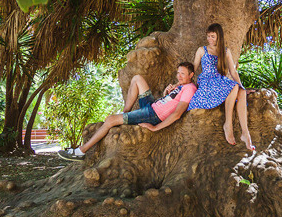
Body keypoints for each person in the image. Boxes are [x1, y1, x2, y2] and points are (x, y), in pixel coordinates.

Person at [58, 62, 197, 159]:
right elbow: (168, 102)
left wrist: (155, 128)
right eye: (178, 73)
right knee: (137, 78)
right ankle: (125, 114)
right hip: (152, 105)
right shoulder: (181, 86)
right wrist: (166, 93)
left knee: (111, 120)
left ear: (191, 75)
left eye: (183, 74)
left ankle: (80, 151)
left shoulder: (189, 88)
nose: (179, 76)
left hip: (153, 115)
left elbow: (177, 114)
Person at [187, 23, 254, 151]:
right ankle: (228, 124)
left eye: (213, 36)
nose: (210, 39)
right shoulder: (202, 50)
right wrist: (179, 85)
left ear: (219, 37)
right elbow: (192, 70)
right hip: (207, 83)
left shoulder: (225, 51)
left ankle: (245, 133)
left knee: (240, 91)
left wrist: (242, 87)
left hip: (219, 81)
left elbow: (233, 72)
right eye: (208, 36)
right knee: (234, 87)